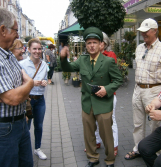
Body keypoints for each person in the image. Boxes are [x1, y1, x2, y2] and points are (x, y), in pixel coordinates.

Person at [60, 27, 123, 167]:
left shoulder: (108, 61)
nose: (92, 45)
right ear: (86, 45)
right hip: (87, 103)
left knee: (106, 134)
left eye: (94, 42)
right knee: (89, 133)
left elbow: (118, 80)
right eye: (89, 43)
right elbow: (67, 68)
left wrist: (106, 89)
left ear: (100, 44)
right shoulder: (82, 60)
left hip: (103, 103)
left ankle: (110, 159)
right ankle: (93, 158)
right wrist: (63, 58)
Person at [0, 8, 34, 167]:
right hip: (1, 129)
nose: (18, 35)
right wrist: (30, 84)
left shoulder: (6, 53)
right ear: (2, 30)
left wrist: (20, 89)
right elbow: (12, 98)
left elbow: (20, 84)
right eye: (15, 30)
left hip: (20, 123)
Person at [125, 18, 161, 160]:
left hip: (154, 91)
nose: (143, 34)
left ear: (155, 31)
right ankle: (138, 148)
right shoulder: (139, 48)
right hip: (137, 89)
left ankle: (156, 152)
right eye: (142, 32)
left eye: (146, 31)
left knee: (155, 124)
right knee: (137, 123)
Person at [85, 32, 119, 156]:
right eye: (91, 42)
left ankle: (114, 145)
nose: (93, 45)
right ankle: (96, 142)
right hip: (92, 95)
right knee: (93, 119)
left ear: (103, 44)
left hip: (107, 94)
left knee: (110, 120)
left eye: (97, 42)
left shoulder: (110, 56)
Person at [19, 38, 48, 160]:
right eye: (34, 49)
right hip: (27, 101)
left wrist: (44, 82)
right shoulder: (22, 64)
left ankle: (37, 149)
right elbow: (18, 84)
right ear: (29, 49)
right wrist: (31, 83)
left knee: (39, 126)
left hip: (40, 99)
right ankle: (23, 151)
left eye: (39, 48)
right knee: (26, 127)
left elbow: (46, 78)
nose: (37, 51)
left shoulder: (44, 64)